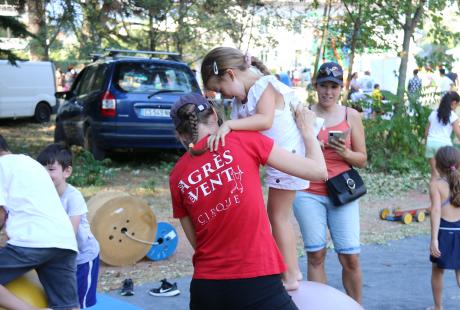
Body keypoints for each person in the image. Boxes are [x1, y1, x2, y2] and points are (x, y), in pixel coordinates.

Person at [169, 93, 326, 309]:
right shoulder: (243, 139)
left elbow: (197, 242)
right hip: (256, 279)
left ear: (180, 135)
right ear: (214, 115)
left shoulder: (176, 176)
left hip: (206, 289)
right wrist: (308, 129)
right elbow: (318, 171)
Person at [201, 47, 312, 290]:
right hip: (278, 159)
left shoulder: (264, 87)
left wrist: (229, 124)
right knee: (276, 215)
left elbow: (265, 120)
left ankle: (291, 275)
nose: (222, 95)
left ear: (231, 75)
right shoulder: (242, 97)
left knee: (278, 215)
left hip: (289, 157)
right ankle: (290, 271)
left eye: (220, 89)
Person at [293, 62, 367, 304]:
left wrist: (344, 153)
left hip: (342, 191)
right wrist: (313, 145)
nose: (328, 92)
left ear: (340, 89)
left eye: (334, 87)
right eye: (324, 85)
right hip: (308, 191)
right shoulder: (303, 113)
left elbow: (362, 159)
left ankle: (356, 306)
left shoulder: (351, 116)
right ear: (315, 86)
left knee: (350, 257)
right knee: (316, 254)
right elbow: (291, 152)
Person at [0, 135, 80, 310]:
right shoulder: (31, 164)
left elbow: (0, 212)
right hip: (64, 241)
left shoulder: (1, 167)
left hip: (32, 242)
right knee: (68, 306)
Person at [37, 144, 100, 309]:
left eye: (51, 169)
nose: (45, 174)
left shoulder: (73, 197)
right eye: (41, 169)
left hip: (83, 257)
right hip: (60, 258)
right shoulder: (41, 195)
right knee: (62, 298)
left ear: (67, 172)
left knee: (79, 300)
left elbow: (70, 233)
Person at [428, 146, 460, 310]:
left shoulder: (436, 185)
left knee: (437, 270)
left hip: (444, 232)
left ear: (438, 166)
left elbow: (435, 211)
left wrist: (434, 239)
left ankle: (438, 307)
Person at [425, 91, 460, 181]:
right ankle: (449, 192)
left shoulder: (433, 113)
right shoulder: (453, 116)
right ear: (454, 103)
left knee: (434, 173)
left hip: (431, 144)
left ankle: (434, 193)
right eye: (457, 105)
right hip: (444, 147)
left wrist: (427, 143)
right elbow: (458, 133)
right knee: (448, 174)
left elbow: (426, 132)